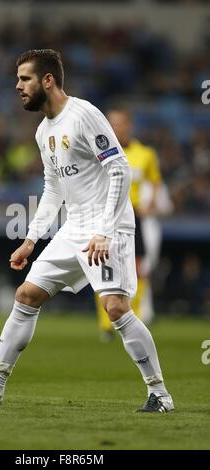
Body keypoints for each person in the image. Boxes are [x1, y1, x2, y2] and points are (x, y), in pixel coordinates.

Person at [0, 49, 174, 413]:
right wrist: (31, 240)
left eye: (25, 79)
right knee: (26, 295)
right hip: (75, 227)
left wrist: (104, 230)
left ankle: (160, 395)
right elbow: (53, 189)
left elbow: (119, 170)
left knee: (115, 307)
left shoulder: (84, 115)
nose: (17, 86)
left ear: (47, 80)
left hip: (108, 224)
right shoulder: (43, 131)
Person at [95, 108, 165, 339]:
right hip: (105, 215)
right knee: (102, 268)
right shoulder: (98, 151)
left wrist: (151, 203)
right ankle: (107, 324)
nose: (116, 128)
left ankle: (132, 316)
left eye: (120, 123)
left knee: (137, 269)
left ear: (129, 125)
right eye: (111, 123)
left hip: (133, 216)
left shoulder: (145, 154)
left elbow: (154, 181)